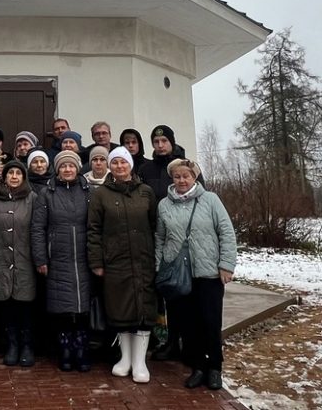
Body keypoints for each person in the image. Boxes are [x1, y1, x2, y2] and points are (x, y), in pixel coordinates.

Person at [156, 158, 237, 391]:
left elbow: (226, 232)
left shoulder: (210, 200)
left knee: (210, 322)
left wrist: (227, 265)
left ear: (194, 178)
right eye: (177, 176)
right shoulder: (164, 205)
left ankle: (215, 368)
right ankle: (198, 366)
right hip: (180, 274)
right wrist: (159, 265)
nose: (181, 180)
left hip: (208, 273)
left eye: (186, 176)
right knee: (189, 325)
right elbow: (160, 238)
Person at [88, 147, 157, 384]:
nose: (119, 166)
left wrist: (156, 257)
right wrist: (96, 261)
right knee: (121, 309)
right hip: (115, 261)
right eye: (114, 162)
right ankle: (125, 358)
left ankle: (140, 362)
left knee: (143, 309)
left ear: (130, 165)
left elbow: (155, 227)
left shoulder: (146, 192)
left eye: (123, 162)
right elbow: (94, 230)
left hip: (143, 260)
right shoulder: (101, 195)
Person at [139, 124, 201, 361]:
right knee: (170, 293)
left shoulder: (185, 166)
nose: (160, 145)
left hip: (186, 240)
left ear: (172, 142)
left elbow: (200, 198)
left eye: (164, 141)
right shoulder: (145, 168)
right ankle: (171, 341)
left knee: (189, 294)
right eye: (156, 142)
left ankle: (190, 343)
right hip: (159, 236)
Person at [31, 150, 92, 372]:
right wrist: (40, 257)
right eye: (63, 166)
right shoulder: (47, 193)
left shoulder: (88, 192)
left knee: (83, 306)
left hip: (84, 256)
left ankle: (82, 346)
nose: (67, 170)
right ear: (57, 169)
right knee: (62, 306)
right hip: (57, 256)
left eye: (71, 166)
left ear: (77, 168)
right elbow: (38, 228)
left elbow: (95, 225)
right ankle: (65, 348)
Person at [0, 160, 37, 367]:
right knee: (7, 305)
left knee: (25, 306)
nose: (14, 176)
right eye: (10, 173)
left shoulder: (32, 198)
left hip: (25, 262)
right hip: (0, 262)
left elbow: (38, 231)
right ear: (4, 177)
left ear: (23, 177)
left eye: (18, 173)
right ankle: (12, 345)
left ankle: (27, 346)